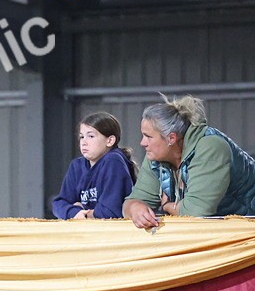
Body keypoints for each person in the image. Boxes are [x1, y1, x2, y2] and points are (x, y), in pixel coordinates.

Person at [123, 95, 255, 229]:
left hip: (248, 232)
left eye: (148, 137)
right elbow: (133, 201)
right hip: (224, 232)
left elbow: (195, 214)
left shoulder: (210, 147)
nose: (142, 143)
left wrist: (166, 206)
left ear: (171, 138)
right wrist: (136, 208)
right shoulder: (156, 155)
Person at [51, 112, 137, 219]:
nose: (84, 142)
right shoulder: (77, 166)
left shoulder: (114, 161)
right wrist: (74, 212)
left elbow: (110, 211)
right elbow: (58, 204)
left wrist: (85, 213)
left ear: (110, 141)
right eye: (82, 137)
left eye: (91, 136)